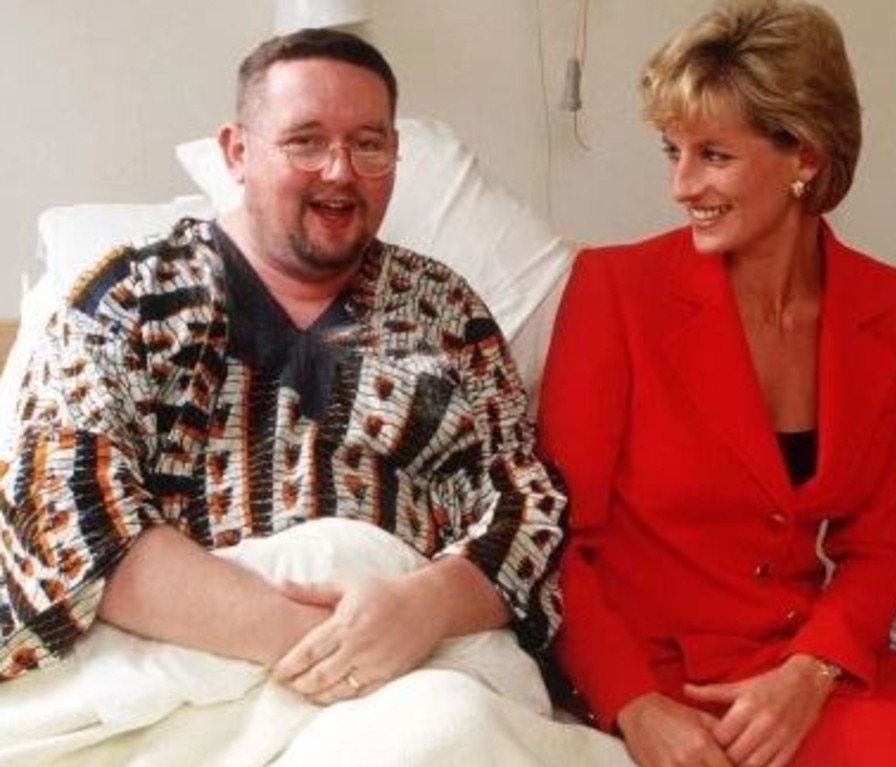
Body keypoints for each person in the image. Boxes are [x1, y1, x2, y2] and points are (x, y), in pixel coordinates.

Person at [0, 28, 566, 708]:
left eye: (368, 142)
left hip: (416, 657)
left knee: (454, 723)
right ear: (237, 152)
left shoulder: (443, 312)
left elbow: (526, 505)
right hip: (188, 654)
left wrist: (427, 607)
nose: (339, 170)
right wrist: (312, 644)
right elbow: (59, 501)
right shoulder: (131, 297)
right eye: (306, 140)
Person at [538, 1, 896, 766]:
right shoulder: (612, 290)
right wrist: (631, 704)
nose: (681, 184)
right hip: (660, 680)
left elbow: (879, 545)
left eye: (713, 156)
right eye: (672, 151)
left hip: (803, 668)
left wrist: (810, 669)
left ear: (802, 154)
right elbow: (557, 536)